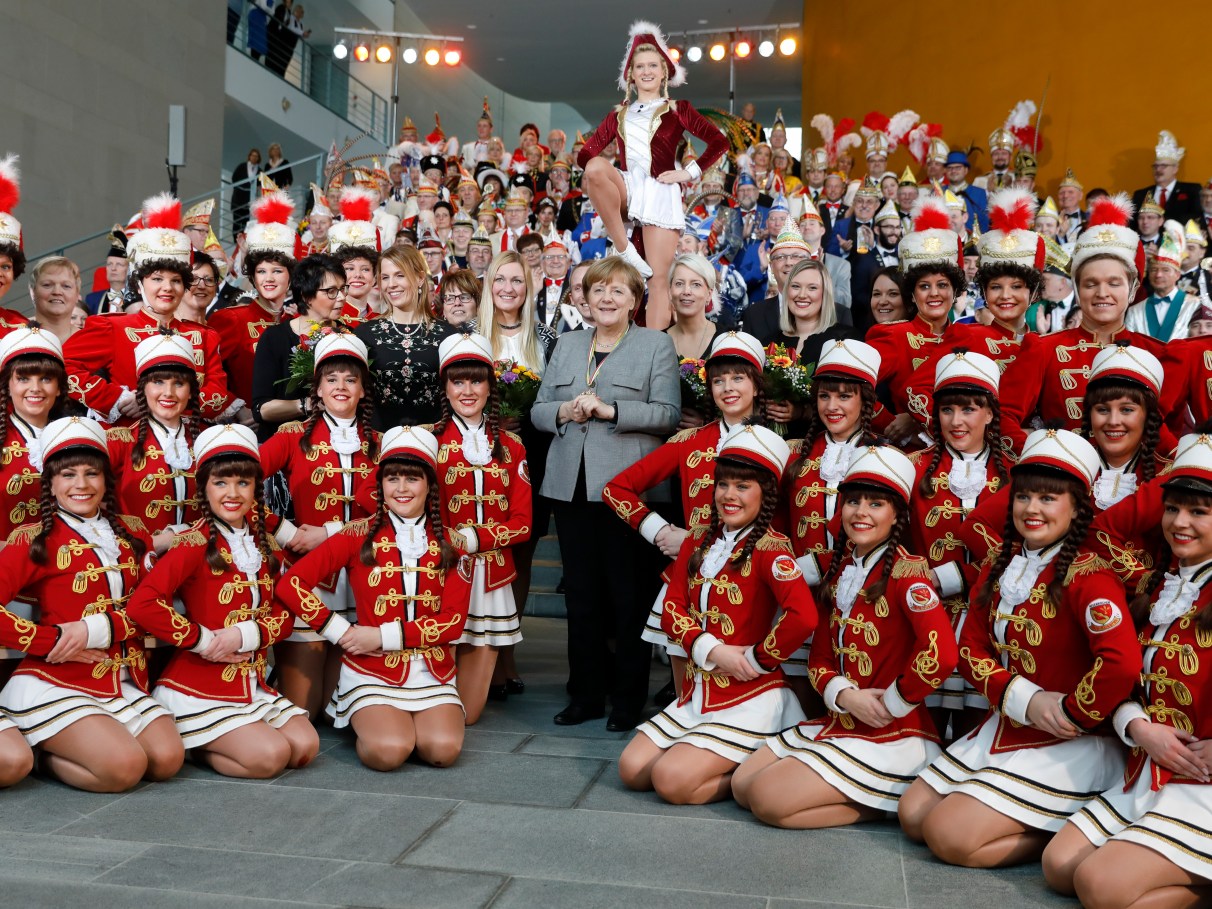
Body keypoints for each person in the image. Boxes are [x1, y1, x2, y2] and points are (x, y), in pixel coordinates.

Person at [899, 428, 1142, 868]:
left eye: (1049, 499)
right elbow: (970, 645)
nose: (1032, 509)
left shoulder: (1091, 576)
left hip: (1071, 742)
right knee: (913, 815)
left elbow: (1122, 664)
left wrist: (1072, 714)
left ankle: (1066, 826)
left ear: (1077, 508)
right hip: (1011, 720)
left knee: (948, 836)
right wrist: (1023, 699)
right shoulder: (999, 564)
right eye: (1024, 497)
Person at [733, 443, 957, 826]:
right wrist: (844, 694)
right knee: (742, 785)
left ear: (896, 516)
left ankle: (883, 797)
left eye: (876, 504)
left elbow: (943, 655)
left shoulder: (909, 574)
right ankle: (875, 795)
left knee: (769, 802)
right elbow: (820, 657)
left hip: (891, 729)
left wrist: (893, 702)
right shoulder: (839, 572)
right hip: (842, 716)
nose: (861, 513)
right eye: (853, 502)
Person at [1040, 433, 1212, 905]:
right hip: (1148, 764)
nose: (1179, 523)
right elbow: (1127, 677)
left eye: (1199, 512)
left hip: (1202, 780)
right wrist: (1137, 726)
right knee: (1059, 869)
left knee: (1101, 887)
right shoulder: (1160, 586)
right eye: (1173, 508)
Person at [617, 424, 817, 804]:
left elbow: (803, 617)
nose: (729, 495)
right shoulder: (697, 538)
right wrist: (710, 649)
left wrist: (758, 658)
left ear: (766, 494)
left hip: (750, 695)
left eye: (743, 487)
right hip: (699, 692)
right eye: (723, 484)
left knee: (671, 782)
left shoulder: (772, 548)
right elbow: (673, 606)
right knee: (632, 770)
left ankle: (751, 777)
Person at [532, 257, 679, 729]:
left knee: (628, 595)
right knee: (581, 595)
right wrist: (563, 413)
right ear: (584, 298)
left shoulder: (656, 345)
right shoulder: (568, 344)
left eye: (618, 291)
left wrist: (611, 410)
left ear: (635, 301)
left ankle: (627, 699)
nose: (607, 299)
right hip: (569, 487)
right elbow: (537, 410)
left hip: (628, 492)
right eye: (598, 291)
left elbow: (667, 415)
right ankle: (585, 694)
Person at [125, 423, 319, 778]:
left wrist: (244, 636)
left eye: (243, 483)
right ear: (204, 489)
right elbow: (142, 605)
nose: (233, 493)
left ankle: (214, 740)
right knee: (270, 757)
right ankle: (195, 740)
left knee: (306, 747)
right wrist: (204, 639)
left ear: (256, 489)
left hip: (251, 681)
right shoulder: (193, 542)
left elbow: (285, 613)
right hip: (199, 684)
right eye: (221, 483)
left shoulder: (264, 543)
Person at [0, 416, 184, 791]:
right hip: (58, 678)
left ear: (106, 480)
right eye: (68, 475)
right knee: (124, 769)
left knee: (166, 761)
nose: (81, 485)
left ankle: (58, 747)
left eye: (91, 474)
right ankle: (45, 758)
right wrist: (50, 641)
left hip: (124, 677)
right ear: (50, 483)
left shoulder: (133, 532)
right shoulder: (35, 539)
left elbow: (153, 607)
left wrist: (95, 629)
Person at [279, 425, 468, 770]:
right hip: (372, 668)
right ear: (380, 485)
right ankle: (365, 716)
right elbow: (291, 584)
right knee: (390, 752)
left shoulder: (452, 543)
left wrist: (382, 635)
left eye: (412, 479)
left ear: (430, 485)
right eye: (392, 478)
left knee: (442, 751)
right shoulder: (357, 534)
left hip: (432, 670)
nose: (401, 488)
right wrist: (340, 632)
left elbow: (453, 623)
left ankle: (399, 723)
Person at [604, 332, 768, 706]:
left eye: (738, 378)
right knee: (686, 692)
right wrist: (659, 530)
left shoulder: (778, 445)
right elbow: (616, 489)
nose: (728, 388)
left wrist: (694, 539)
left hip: (751, 579)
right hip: (690, 577)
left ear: (757, 385)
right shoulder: (688, 441)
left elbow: (783, 524)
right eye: (718, 380)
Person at [577, 20, 729, 329]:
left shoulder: (677, 108)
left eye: (652, 66)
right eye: (639, 66)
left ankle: (655, 352)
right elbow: (585, 156)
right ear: (630, 75)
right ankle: (624, 248)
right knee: (594, 168)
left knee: (658, 280)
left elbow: (719, 141)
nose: (646, 71)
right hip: (628, 187)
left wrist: (685, 173)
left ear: (664, 72)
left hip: (660, 191)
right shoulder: (617, 115)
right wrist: (612, 173)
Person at [258, 333, 378, 719]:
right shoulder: (292, 435)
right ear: (318, 390)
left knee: (334, 711)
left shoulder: (381, 444)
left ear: (363, 389)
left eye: (350, 379)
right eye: (331, 379)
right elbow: (229, 484)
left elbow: (397, 512)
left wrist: (329, 533)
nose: (340, 387)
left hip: (365, 574)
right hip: (307, 577)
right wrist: (285, 532)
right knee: (304, 712)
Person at [999, 194, 1174, 453]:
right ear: (1078, 290)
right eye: (1090, 284)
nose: (1102, 293)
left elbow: (1171, 433)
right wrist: (1042, 457)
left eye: (1114, 283)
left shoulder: (1158, 353)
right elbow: (1001, 415)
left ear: (1134, 288)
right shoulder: (1043, 349)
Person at [422, 333, 532, 722]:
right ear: (445, 386)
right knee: (435, 698)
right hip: (439, 573)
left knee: (468, 714)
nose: (467, 390)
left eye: (476, 380)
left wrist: (471, 537)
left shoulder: (514, 446)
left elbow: (522, 524)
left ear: (490, 386)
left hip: (492, 579)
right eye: (458, 381)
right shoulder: (426, 439)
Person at [64, 194, 241, 425]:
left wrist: (163, 400)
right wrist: (116, 398)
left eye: (176, 281)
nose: (167, 288)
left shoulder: (205, 336)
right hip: (130, 444)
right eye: (157, 279)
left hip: (189, 442)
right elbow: (63, 365)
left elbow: (216, 394)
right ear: (139, 283)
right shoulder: (113, 327)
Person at [908, 351, 1009, 739]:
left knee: (976, 725)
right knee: (924, 724)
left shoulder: (1014, 473)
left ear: (989, 413)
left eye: (969, 409)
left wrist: (954, 576)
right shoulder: (912, 467)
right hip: (924, 616)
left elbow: (1018, 549)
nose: (956, 421)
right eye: (947, 410)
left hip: (991, 620)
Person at [106, 334, 203, 554]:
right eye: (158, 382)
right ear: (143, 389)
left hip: (201, 559)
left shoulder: (208, 440)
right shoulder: (118, 441)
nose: (168, 393)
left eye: (178, 383)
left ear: (190, 392)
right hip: (137, 559)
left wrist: (181, 533)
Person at [209, 192, 297, 410]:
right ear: (252, 277)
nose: (268, 279)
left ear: (290, 276)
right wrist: (237, 409)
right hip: (248, 428)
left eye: (277, 271)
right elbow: (206, 375)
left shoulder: (297, 321)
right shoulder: (231, 319)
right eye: (261, 271)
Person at [250, 253, 349, 441]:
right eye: (331, 291)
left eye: (343, 289)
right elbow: (261, 409)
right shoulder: (275, 338)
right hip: (285, 443)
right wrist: (306, 405)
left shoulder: (348, 336)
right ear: (306, 295)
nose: (342, 297)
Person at [354, 245, 454, 430]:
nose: (391, 284)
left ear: (419, 278)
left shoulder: (448, 335)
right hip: (378, 444)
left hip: (436, 445)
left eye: (400, 275)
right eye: (385, 277)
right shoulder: (364, 334)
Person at [0, 326, 67, 544]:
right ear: (7, 387)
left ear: (59, 387)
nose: (35, 388)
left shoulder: (75, 435)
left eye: (46, 379)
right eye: (24, 379)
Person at [757, 258, 852, 372]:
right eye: (795, 286)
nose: (802, 295)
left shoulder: (845, 341)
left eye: (812, 288)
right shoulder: (768, 343)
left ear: (825, 294)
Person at [1126, 228, 1198, 340]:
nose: (1158, 275)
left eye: (1165, 270)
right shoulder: (1134, 310)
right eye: (1154, 270)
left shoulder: (1195, 305)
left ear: (1177, 275)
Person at [1131, 130, 1203, 228]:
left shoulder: (1191, 190)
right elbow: (1133, 223)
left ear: (1175, 169)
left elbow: (1196, 217)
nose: (1158, 170)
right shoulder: (1140, 195)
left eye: (1163, 166)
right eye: (1155, 166)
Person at [664, 253, 726, 366]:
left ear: (709, 294)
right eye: (679, 283)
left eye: (696, 284)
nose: (686, 291)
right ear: (670, 292)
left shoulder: (725, 340)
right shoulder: (657, 343)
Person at [27, 255, 81, 342]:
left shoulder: (89, 342)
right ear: (33, 292)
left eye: (66, 286)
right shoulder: (18, 338)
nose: (57, 292)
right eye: (47, 285)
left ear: (77, 295)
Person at [85, 228, 129, 315]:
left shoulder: (138, 299)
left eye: (119, 264)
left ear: (129, 269)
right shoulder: (92, 300)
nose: (113, 268)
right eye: (109, 264)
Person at [230, 148, 262, 233]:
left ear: (258, 158)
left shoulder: (260, 171)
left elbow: (261, 184)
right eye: (253, 155)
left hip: (249, 202)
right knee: (236, 222)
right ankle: (235, 240)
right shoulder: (242, 166)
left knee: (246, 224)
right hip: (238, 199)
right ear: (249, 156)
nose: (254, 157)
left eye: (256, 156)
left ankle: (243, 241)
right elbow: (234, 178)